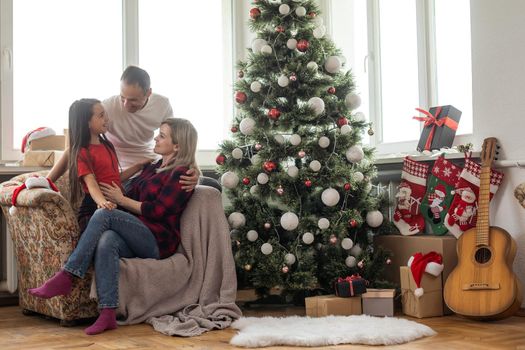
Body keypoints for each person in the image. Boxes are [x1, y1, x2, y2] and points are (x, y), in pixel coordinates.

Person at [28, 118, 198, 335]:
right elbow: (130, 193)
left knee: (104, 214)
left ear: (178, 145)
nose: (156, 137)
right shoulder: (153, 167)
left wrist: (122, 200)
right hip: (139, 232)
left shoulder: (182, 174)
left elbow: (158, 211)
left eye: (162, 135)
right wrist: (115, 189)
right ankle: (107, 313)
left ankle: (68, 275)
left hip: (157, 241)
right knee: (107, 239)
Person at [47, 66, 219, 191]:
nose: (126, 104)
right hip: (124, 175)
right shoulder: (107, 108)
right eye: (123, 98)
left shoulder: (162, 105)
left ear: (148, 93)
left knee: (212, 185)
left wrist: (193, 171)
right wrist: (48, 181)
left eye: (133, 100)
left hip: (153, 167)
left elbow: (178, 140)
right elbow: (76, 146)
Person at [67, 98, 149, 231]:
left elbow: (115, 178)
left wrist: (138, 166)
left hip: (114, 204)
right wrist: (102, 203)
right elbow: (91, 183)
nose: (106, 119)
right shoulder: (82, 152)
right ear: (86, 122)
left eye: (105, 114)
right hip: (94, 207)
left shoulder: (107, 145)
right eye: (101, 115)